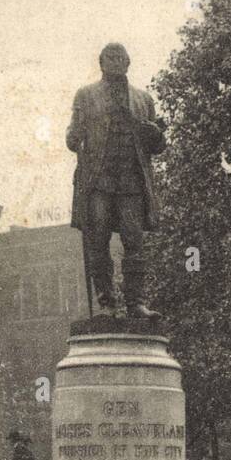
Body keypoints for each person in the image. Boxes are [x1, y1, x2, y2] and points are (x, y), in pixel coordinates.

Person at [66, 42, 167, 319]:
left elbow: (158, 144)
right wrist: (74, 135)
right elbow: (72, 138)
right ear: (100, 63)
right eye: (109, 57)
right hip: (98, 180)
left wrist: (155, 134)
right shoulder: (86, 96)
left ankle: (135, 303)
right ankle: (106, 303)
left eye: (120, 57)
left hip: (131, 180)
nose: (115, 61)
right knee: (97, 241)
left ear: (128, 63)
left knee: (134, 241)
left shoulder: (143, 99)